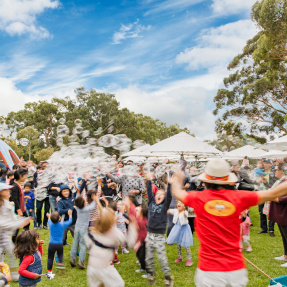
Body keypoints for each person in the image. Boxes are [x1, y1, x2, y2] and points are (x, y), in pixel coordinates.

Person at [170, 158, 287, 287]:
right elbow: (274, 193)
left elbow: (176, 192)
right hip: (236, 270)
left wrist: (177, 178)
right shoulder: (240, 197)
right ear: (228, 180)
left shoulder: (197, 198)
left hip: (208, 271)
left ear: (205, 181)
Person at [84, 207, 125, 287]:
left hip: (91, 268)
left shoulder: (92, 233)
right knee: (119, 284)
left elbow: (87, 240)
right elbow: (125, 240)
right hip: (104, 268)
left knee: (99, 284)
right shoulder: (115, 233)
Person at [145, 175, 173, 287]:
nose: (159, 196)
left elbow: (169, 196)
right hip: (149, 234)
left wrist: (169, 184)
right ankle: (151, 274)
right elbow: (149, 192)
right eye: (158, 194)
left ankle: (168, 277)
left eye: (162, 195)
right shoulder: (151, 202)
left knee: (162, 259)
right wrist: (148, 181)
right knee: (148, 258)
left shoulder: (165, 205)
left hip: (159, 236)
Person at [0, 183, 31, 282]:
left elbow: (13, 218)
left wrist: (23, 220)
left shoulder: (8, 204)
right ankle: (2, 275)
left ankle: (13, 275)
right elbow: (2, 223)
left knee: (12, 253)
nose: (9, 192)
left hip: (4, 235)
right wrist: (17, 225)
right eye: (6, 190)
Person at [70, 192, 98, 269]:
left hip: (77, 227)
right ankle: (81, 262)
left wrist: (78, 192)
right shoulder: (87, 209)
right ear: (84, 203)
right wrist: (95, 199)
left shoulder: (78, 207)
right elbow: (93, 205)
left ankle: (72, 259)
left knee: (75, 243)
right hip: (83, 229)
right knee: (82, 245)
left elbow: (77, 198)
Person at [268, 163, 287, 266]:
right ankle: (286, 255)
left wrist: (276, 198)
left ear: (282, 171)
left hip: (285, 212)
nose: (274, 172)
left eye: (275, 170)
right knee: (284, 236)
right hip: (280, 212)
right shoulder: (281, 181)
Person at [167, 201, 193, 267]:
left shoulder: (185, 212)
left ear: (184, 206)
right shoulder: (175, 211)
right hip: (177, 229)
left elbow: (189, 214)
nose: (179, 204)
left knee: (186, 245)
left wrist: (186, 211)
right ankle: (180, 257)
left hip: (184, 229)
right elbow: (169, 211)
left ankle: (189, 259)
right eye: (178, 203)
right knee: (178, 244)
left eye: (181, 203)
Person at [258, 159, 277, 236]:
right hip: (261, 193)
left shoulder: (273, 173)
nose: (265, 164)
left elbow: (274, 184)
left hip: (269, 193)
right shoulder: (260, 172)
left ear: (270, 164)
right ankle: (263, 228)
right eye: (264, 163)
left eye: (267, 163)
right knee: (261, 211)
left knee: (271, 212)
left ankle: (271, 229)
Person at [134, 205, 148, 278]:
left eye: (137, 211)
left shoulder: (144, 220)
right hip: (142, 241)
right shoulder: (138, 219)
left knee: (143, 257)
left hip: (147, 242)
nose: (135, 212)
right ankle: (143, 268)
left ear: (142, 213)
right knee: (138, 254)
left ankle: (149, 272)